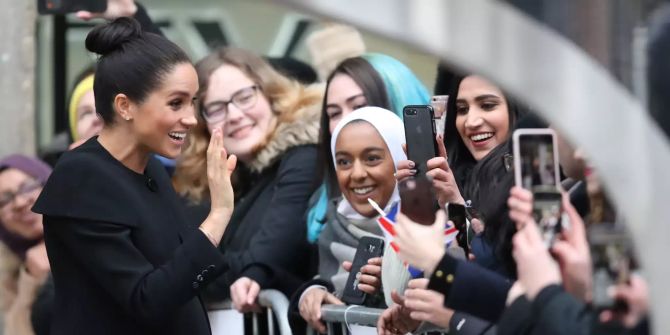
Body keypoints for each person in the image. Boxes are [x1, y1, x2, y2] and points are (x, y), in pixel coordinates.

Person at [32, 17, 238, 334]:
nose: (191, 119)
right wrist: (219, 213)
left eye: (193, 102)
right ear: (125, 106)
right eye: (176, 103)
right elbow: (147, 300)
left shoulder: (149, 168)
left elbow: (179, 277)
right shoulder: (81, 177)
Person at [172, 46, 323, 312]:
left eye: (244, 97)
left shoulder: (304, 158)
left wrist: (202, 272)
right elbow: (179, 262)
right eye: (216, 108)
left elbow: (267, 259)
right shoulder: (231, 176)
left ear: (271, 94)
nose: (234, 115)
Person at [293, 107, 407, 333]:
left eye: (372, 158)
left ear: (400, 158)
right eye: (344, 162)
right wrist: (312, 294)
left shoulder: (429, 225)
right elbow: (325, 281)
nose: (356, 174)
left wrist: (393, 280)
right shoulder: (332, 227)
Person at [307, 54, 430, 244]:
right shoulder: (325, 204)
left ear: (399, 102)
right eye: (334, 113)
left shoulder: (445, 193)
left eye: (359, 106)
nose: (345, 121)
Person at [0, 155, 52, 335]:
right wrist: (31, 280)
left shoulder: (96, 230)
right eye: (4, 201)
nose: (20, 203)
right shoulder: (11, 271)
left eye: (28, 187)